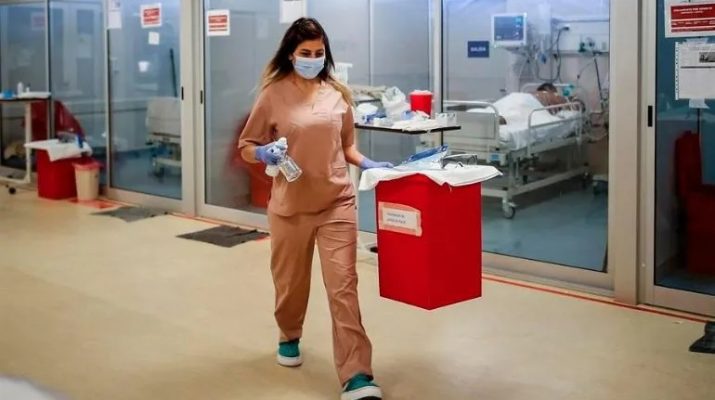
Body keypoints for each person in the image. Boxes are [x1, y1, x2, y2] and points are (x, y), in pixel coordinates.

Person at [238, 18, 393, 400]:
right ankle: (289, 333)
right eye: (305, 53)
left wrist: (368, 163)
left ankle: (357, 374)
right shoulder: (273, 94)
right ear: (291, 55)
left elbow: (347, 146)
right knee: (291, 286)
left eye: (319, 52)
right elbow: (247, 145)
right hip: (290, 207)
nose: (313, 59)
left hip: (336, 202)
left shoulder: (337, 94)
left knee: (344, 288)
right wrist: (262, 152)